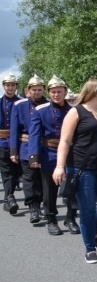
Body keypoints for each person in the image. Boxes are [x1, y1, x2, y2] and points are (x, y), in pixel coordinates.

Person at [54, 80, 97, 263]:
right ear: (95, 92)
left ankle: (91, 232)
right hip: (81, 168)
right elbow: (65, 141)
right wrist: (60, 166)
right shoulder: (75, 112)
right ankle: (90, 249)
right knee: (87, 209)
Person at [29, 75, 73, 236]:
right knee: (49, 190)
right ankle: (51, 219)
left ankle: (70, 218)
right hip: (49, 153)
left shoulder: (73, 110)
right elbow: (34, 134)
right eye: (53, 92)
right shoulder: (40, 110)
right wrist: (34, 155)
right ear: (49, 93)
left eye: (59, 91)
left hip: (71, 153)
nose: (56, 95)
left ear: (65, 92)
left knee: (72, 187)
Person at [9, 75, 48, 223]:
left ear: (44, 90)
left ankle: (43, 204)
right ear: (28, 90)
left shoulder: (49, 105)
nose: (37, 92)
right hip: (26, 147)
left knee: (43, 179)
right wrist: (14, 150)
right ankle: (33, 208)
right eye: (34, 90)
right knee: (30, 178)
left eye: (40, 89)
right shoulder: (19, 105)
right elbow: (14, 130)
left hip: (44, 148)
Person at [1, 74, 23, 215]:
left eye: (13, 85)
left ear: (16, 86)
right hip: (2, 142)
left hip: (19, 142)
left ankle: (7, 199)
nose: (10, 88)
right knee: (7, 171)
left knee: (16, 172)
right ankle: (9, 197)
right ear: (4, 86)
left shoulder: (22, 103)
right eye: (8, 85)